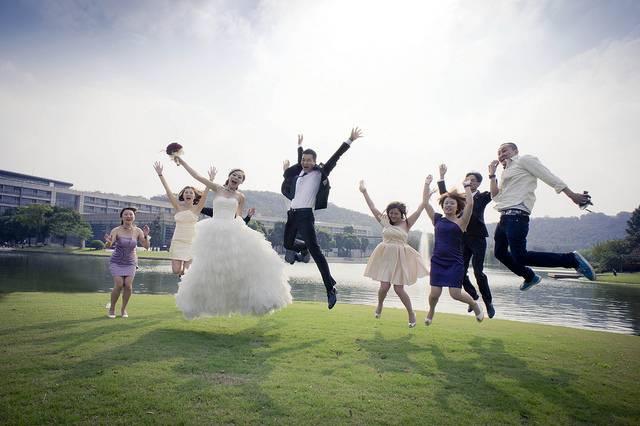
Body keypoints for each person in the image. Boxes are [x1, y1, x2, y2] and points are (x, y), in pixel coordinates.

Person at [173, 157, 292, 319]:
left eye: (239, 177)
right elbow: (197, 176)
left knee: (236, 269)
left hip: (231, 232)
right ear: (229, 177)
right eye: (234, 175)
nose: (236, 178)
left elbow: (239, 217)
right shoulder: (217, 188)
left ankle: (253, 298)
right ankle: (194, 305)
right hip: (213, 232)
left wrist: (247, 224)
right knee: (206, 268)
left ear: (241, 182)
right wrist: (182, 162)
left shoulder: (240, 197)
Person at [489, 142, 596, 291]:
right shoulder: (505, 172)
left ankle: (572, 260)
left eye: (504, 151)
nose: (501, 155)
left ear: (515, 151)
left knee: (520, 256)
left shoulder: (524, 160)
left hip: (517, 215)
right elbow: (496, 197)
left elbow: (548, 176)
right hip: (504, 217)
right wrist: (492, 175)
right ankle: (529, 276)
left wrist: (571, 195)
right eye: (499, 153)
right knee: (499, 253)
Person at [281, 128, 363, 309]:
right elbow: (299, 160)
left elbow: (336, 157)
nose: (305, 162)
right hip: (292, 215)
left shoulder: (319, 173)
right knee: (287, 244)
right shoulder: (299, 173)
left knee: (317, 253)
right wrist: (300, 146)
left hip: (305, 216)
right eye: (303, 160)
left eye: (308, 160)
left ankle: (330, 288)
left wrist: (349, 140)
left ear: (315, 162)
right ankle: (303, 247)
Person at [359, 180, 428, 327]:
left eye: (396, 213)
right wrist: (364, 191)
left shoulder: (407, 223)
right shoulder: (384, 221)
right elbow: (372, 207)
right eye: (391, 213)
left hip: (400, 259)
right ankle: (380, 305)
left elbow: (421, 207)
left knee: (399, 289)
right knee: (384, 287)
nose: (393, 215)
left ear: (401, 214)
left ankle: (411, 313)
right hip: (385, 258)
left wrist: (426, 186)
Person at [423, 175, 484, 325]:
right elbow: (425, 203)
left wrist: (467, 187)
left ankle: (474, 304)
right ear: (442, 206)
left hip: (454, 262)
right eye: (446, 203)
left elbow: (470, 204)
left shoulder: (461, 222)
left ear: (457, 207)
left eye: (452, 203)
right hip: (438, 261)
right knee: (434, 294)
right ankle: (431, 309)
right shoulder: (437, 219)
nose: (449, 205)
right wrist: (426, 184)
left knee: (455, 294)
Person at [437, 164, 495, 318]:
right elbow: (445, 196)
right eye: (467, 179)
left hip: (478, 238)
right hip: (463, 239)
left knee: (478, 272)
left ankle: (488, 302)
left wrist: (492, 174)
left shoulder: (482, 196)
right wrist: (442, 177)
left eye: (472, 180)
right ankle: (472, 296)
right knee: (460, 272)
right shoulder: (460, 198)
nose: (469, 182)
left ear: (478, 183)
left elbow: (494, 193)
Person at [153, 161, 213, 276]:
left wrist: (211, 179)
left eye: (191, 193)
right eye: (186, 193)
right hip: (178, 241)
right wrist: (160, 174)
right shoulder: (178, 207)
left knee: (187, 272)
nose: (188, 194)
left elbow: (205, 195)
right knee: (176, 271)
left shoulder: (197, 209)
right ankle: (182, 276)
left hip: (191, 242)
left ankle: (184, 283)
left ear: (194, 196)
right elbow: (168, 191)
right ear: (183, 195)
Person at [104, 207, 150, 318]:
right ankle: (112, 308)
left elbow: (146, 246)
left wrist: (145, 236)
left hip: (130, 262)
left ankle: (123, 309)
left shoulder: (138, 231)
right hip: (117, 261)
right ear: (121, 217)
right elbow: (108, 246)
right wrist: (108, 242)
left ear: (134, 217)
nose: (128, 216)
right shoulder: (116, 230)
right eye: (126, 214)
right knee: (119, 284)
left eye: (131, 214)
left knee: (128, 286)